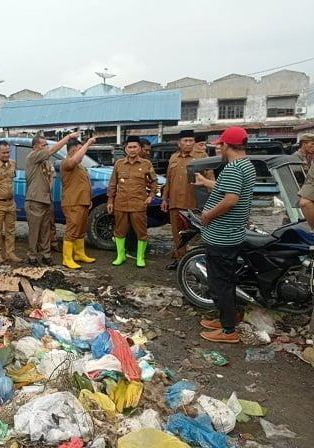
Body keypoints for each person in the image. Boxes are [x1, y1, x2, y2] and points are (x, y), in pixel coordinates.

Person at [193, 127, 256, 343]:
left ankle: (228, 330)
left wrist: (208, 215)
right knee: (226, 279)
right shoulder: (246, 165)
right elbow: (226, 188)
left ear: (227, 145)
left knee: (221, 281)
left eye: (220, 144)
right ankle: (228, 317)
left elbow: (230, 199)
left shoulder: (233, 168)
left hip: (222, 235)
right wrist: (206, 182)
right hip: (231, 232)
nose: (219, 148)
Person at [26, 131, 81, 266]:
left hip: (45, 200)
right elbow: (53, 150)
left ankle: (46, 255)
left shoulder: (45, 163)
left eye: (46, 145)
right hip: (35, 200)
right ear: (35, 147)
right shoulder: (33, 157)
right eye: (42, 145)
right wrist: (68, 137)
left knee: (46, 230)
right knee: (35, 231)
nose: (45, 148)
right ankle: (32, 256)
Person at [161, 130, 210, 270]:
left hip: (193, 203)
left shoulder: (202, 156)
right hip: (175, 203)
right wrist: (165, 199)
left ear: (194, 142)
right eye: (185, 141)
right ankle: (180, 260)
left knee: (195, 233)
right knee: (177, 234)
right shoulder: (173, 158)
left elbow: (210, 179)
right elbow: (169, 180)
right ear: (179, 143)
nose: (188, 144)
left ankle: (196, 261)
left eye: (190, 141)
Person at [107, 136, 158, 268]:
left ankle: (140, 257)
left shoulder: (146, 164)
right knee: (120, 230)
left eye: (135, 147)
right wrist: (110, 201)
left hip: (139, 204)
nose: (132, 150)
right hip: (121, 204)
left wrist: (151, 196)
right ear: (125, 149)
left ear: (140, 148)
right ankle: (120, 255)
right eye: (129, 147)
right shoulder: (119, 164)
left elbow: (154, 182)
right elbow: (113, 184)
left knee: (141, 231)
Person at [60, 136, 97, 269]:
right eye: (80, 149)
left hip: (82, 202)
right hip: (72, 202)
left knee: (81, 229)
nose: (83, 152)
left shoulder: (80, 167)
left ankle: (79, 254)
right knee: (72, 229)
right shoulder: (66, 163)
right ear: (72, 151)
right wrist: (88, 143)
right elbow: (75, 159)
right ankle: (67, 258)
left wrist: (88, 199)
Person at [0, 141, 22, 263]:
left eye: (8, 152)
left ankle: (10, 253)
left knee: (11, 229)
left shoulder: (13, 164)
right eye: (4, 152)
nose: (6, 155)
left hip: (10, 203)